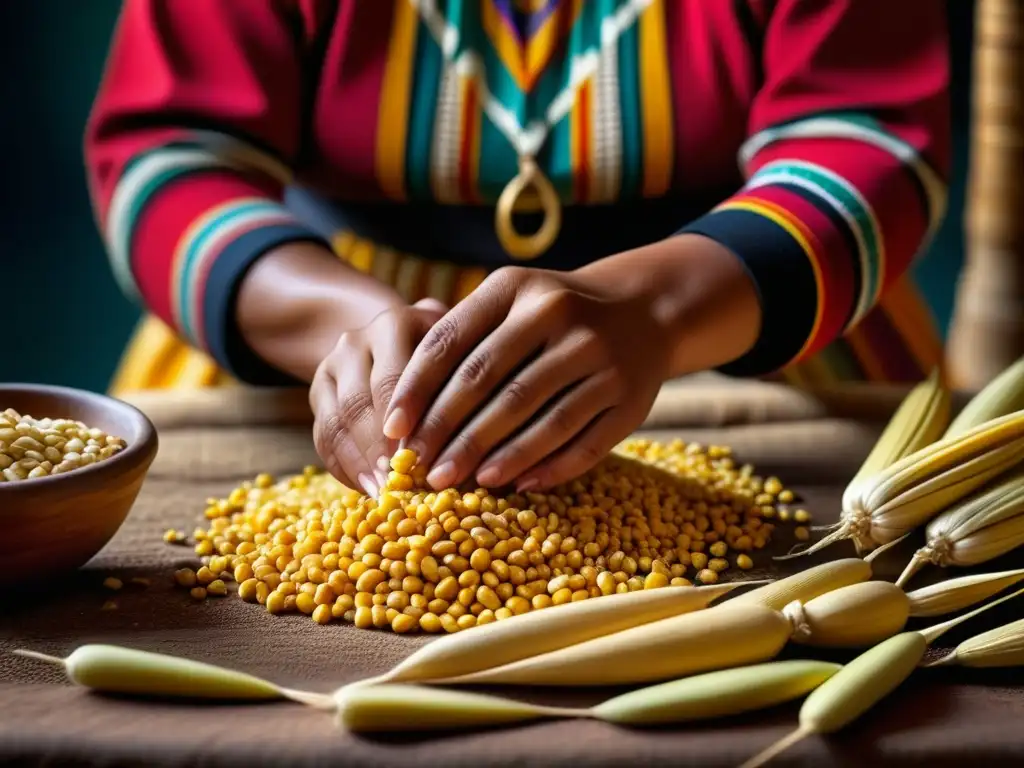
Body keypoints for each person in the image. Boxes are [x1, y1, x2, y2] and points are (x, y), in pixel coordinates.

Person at [85, 0, 950, 497]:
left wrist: (653, 308)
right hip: (311, 333)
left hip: (746, 311)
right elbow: (169, 157)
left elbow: (869, 147)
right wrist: (364, 334)